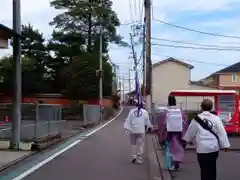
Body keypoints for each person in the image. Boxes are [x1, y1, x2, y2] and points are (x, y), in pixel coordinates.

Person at [183, 99, 230, 180]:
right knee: (212, 168)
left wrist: (188, 140)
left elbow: (191, 131)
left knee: (204, 169)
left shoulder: (196, 119)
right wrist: (225, 145)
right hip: (213, 148)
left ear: (201, 107)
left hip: (202, 148)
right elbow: (221, 132)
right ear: (211, 108)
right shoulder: (216, 119)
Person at [156, 95, 188, 170]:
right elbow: (185, 122)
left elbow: (161, 123)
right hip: (179, 132)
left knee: (169, 148)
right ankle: (177, 162)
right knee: (178, 147)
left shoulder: (165, 112)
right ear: (175, 102)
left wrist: (161, 133)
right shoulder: (181, 111)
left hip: (168, 133)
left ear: (168, 102)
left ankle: (171, 164)